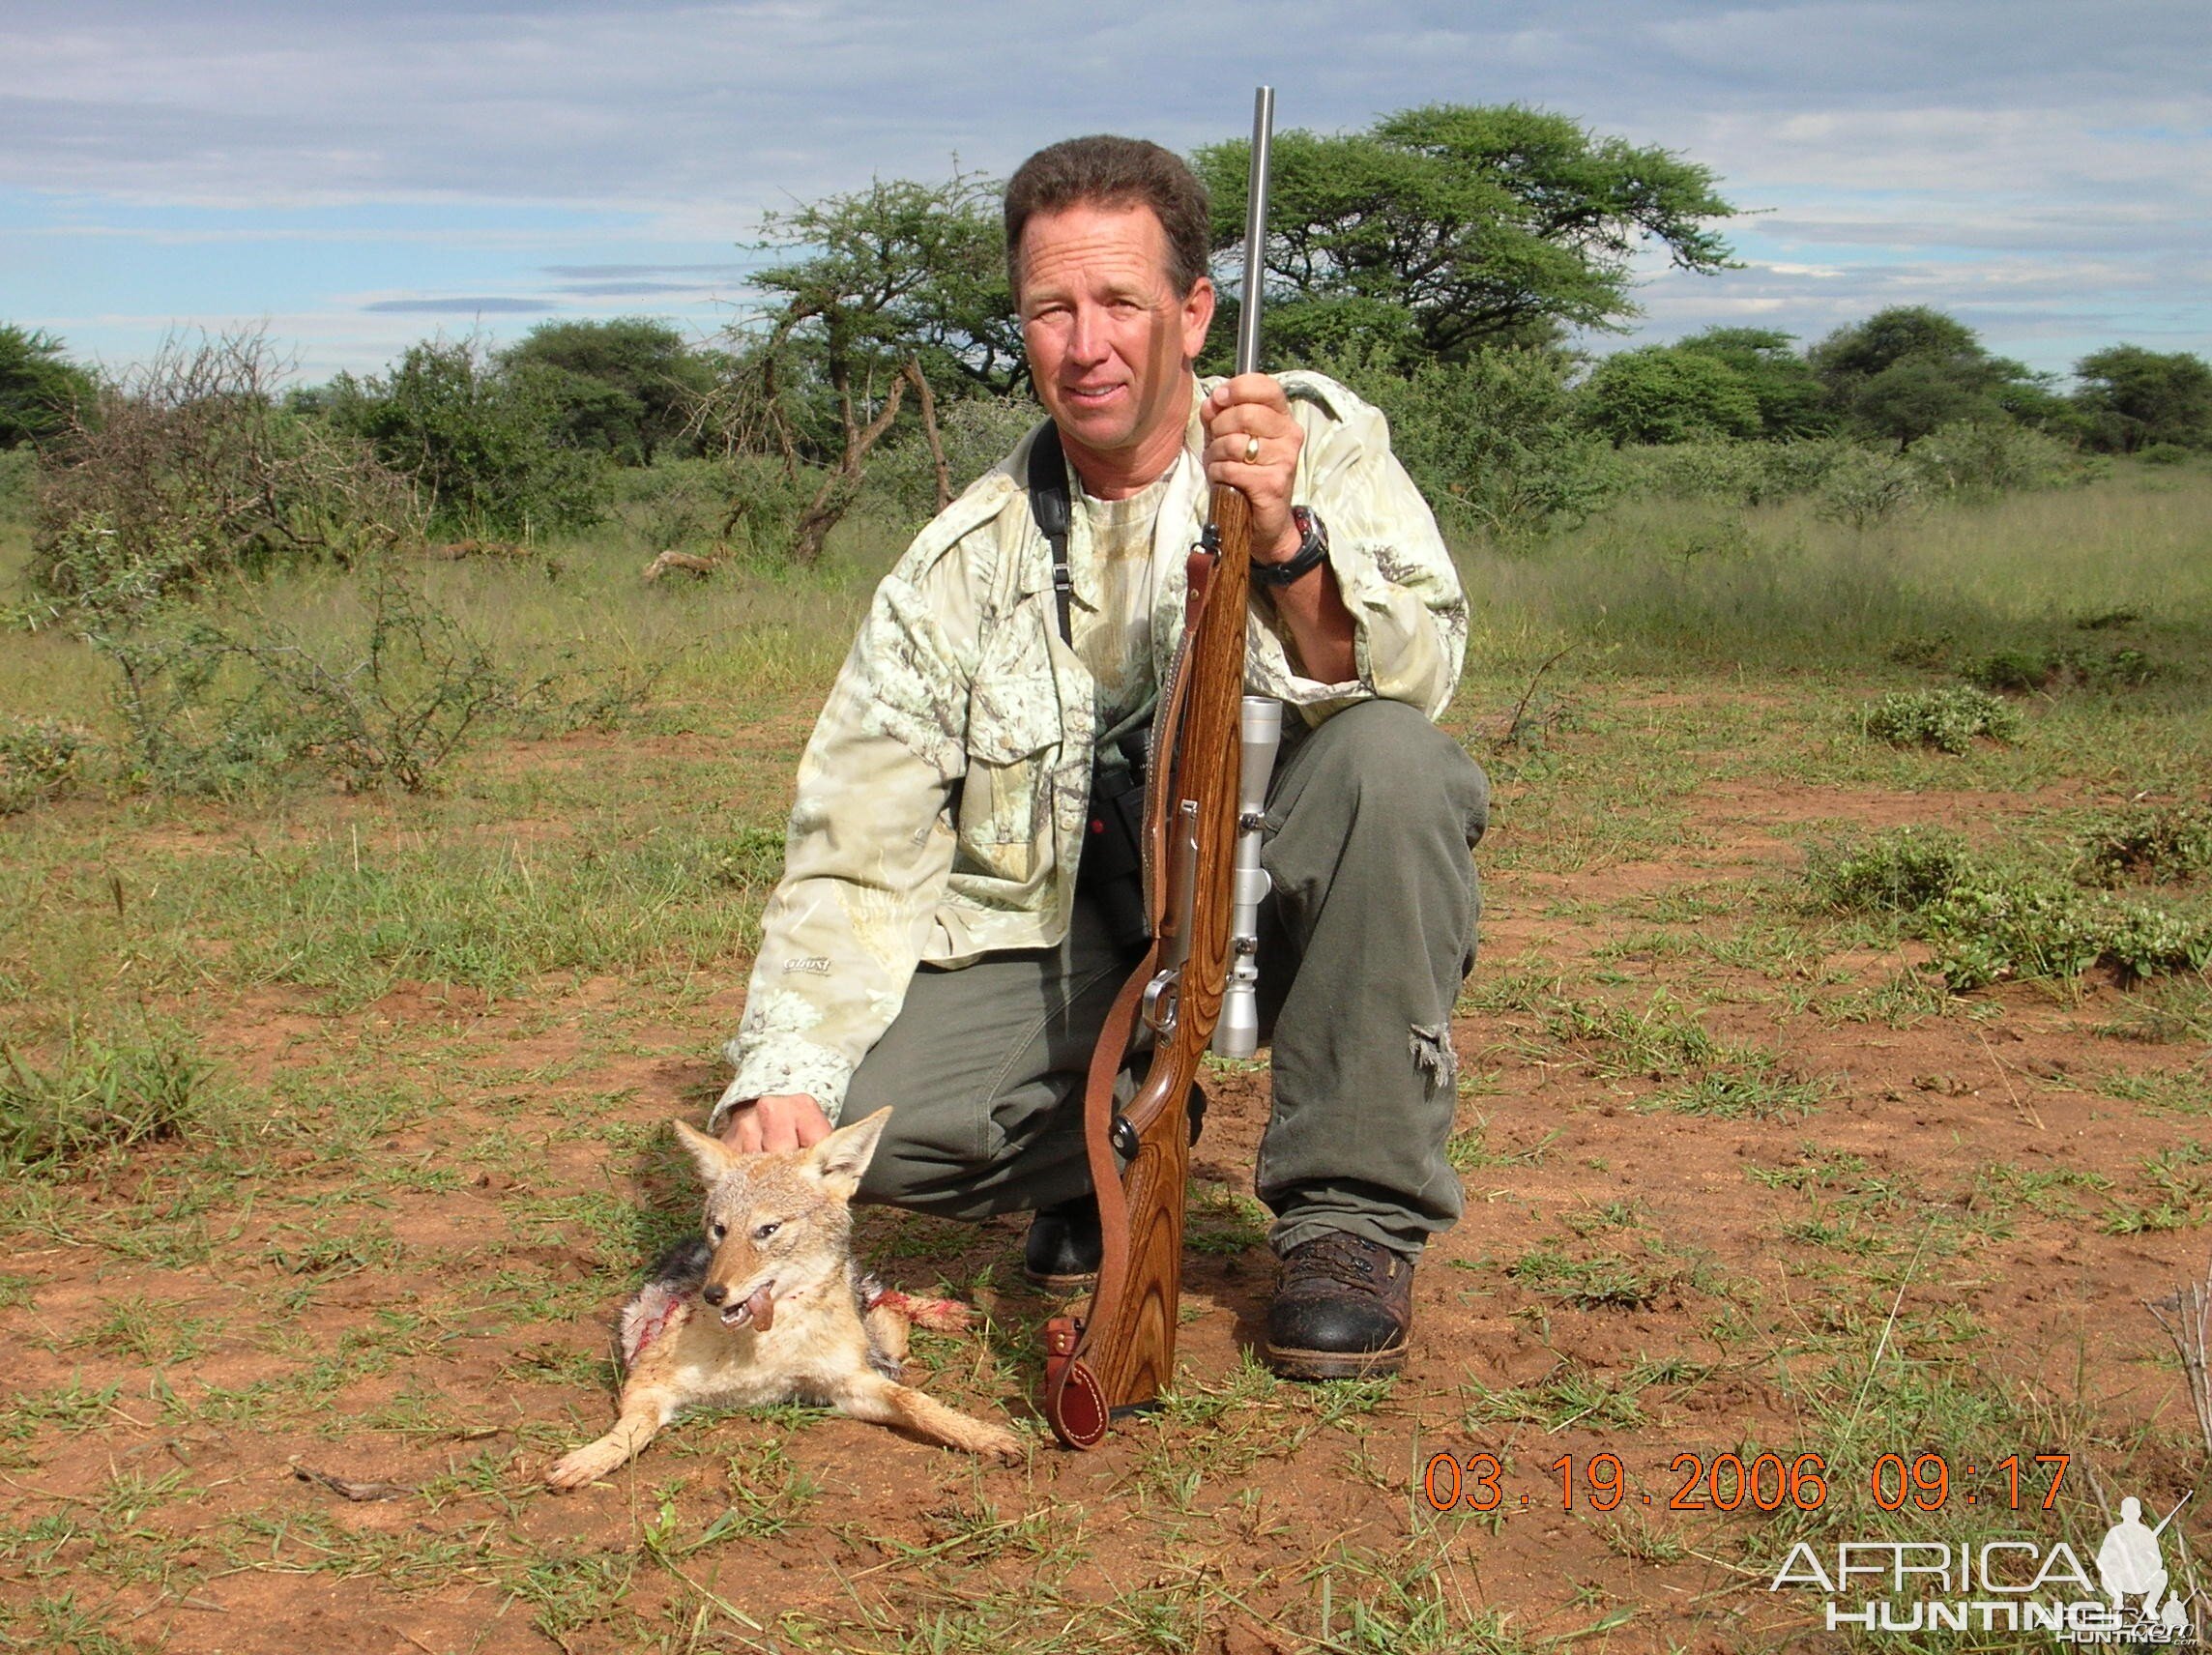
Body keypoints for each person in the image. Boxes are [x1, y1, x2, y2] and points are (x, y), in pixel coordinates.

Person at [711, 134, 1488, 1379]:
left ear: (1192, 313)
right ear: (1019, 325)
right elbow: (853, 847)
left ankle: (1349, 1215)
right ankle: (1103, 1148)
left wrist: (1285, 540)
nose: (1086, 345)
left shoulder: (1318, 442)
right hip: (1073, 920)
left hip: (1269, 883)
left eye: (1121, 302)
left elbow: (1414, 673)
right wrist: (783, 1078)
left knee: (1395, 767)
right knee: (882, 1136)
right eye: (1049, 310)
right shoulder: (954, 560)